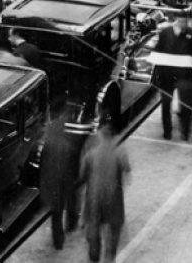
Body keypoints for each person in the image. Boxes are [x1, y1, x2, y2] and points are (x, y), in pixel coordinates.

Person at [79, 123, 130, 263]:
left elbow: (82, 176)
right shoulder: (119, 152)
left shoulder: (91, 154)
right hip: (113, 198)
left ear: (101, 136)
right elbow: (127, 170)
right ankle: (110, 257)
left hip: (94, 198)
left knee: (94, 233)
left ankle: (94, 258)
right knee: (113, 233)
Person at [153, 14, 192, 141]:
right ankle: (167, 131)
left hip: (184, 74)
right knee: (166, 103)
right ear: (176, 21)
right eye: (182, 22)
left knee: (186, 104)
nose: (185, 25)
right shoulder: (165, 33)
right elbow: (158, 50)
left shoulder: (191, 34)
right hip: (167, 74)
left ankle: (185, 132)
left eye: (186, 22)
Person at [41, 111, 82, 250]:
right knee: (71, 200)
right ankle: (72, 223)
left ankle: (58, 240)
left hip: (53, 179)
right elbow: (75, 159)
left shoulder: (49, 142)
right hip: (67, 178)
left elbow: (43, 161)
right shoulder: (69, 142)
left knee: (56, 211)